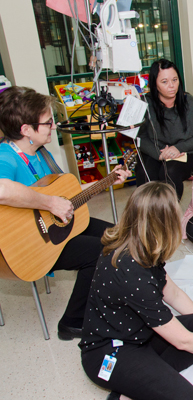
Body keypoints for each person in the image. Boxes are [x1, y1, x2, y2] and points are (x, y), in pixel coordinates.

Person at [79, 182, 193, 400]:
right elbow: (183, 341)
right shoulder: (132, 273)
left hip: (142, 333)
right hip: (111, 352)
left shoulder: (140, 245)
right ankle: (127, 391)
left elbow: (172, 293)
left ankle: (145, 380)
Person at [0, 86, 130, 341]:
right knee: (98, 251)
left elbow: (64, 192)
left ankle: (110, 296)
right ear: (26, 130)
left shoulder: (39, 154)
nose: (53, 126)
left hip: (54, 228)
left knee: (117, 234)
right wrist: (49, 203)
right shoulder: (6, 156)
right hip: (29, 244)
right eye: (48, 122)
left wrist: (107, 181)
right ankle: (72, 321)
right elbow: (2, 189)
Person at [136, 59, 193, 200]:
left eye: (174, 80)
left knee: (169, 172)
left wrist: (178, 148)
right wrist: (158, 153)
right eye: (164, 82)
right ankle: (148, 215)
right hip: (156, 151)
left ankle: (170, 215)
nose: (171, 86)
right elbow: (140, 137)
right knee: (146, 172)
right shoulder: (145, 103)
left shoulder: (189, 101)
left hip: (189, 151)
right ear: (154, 84)